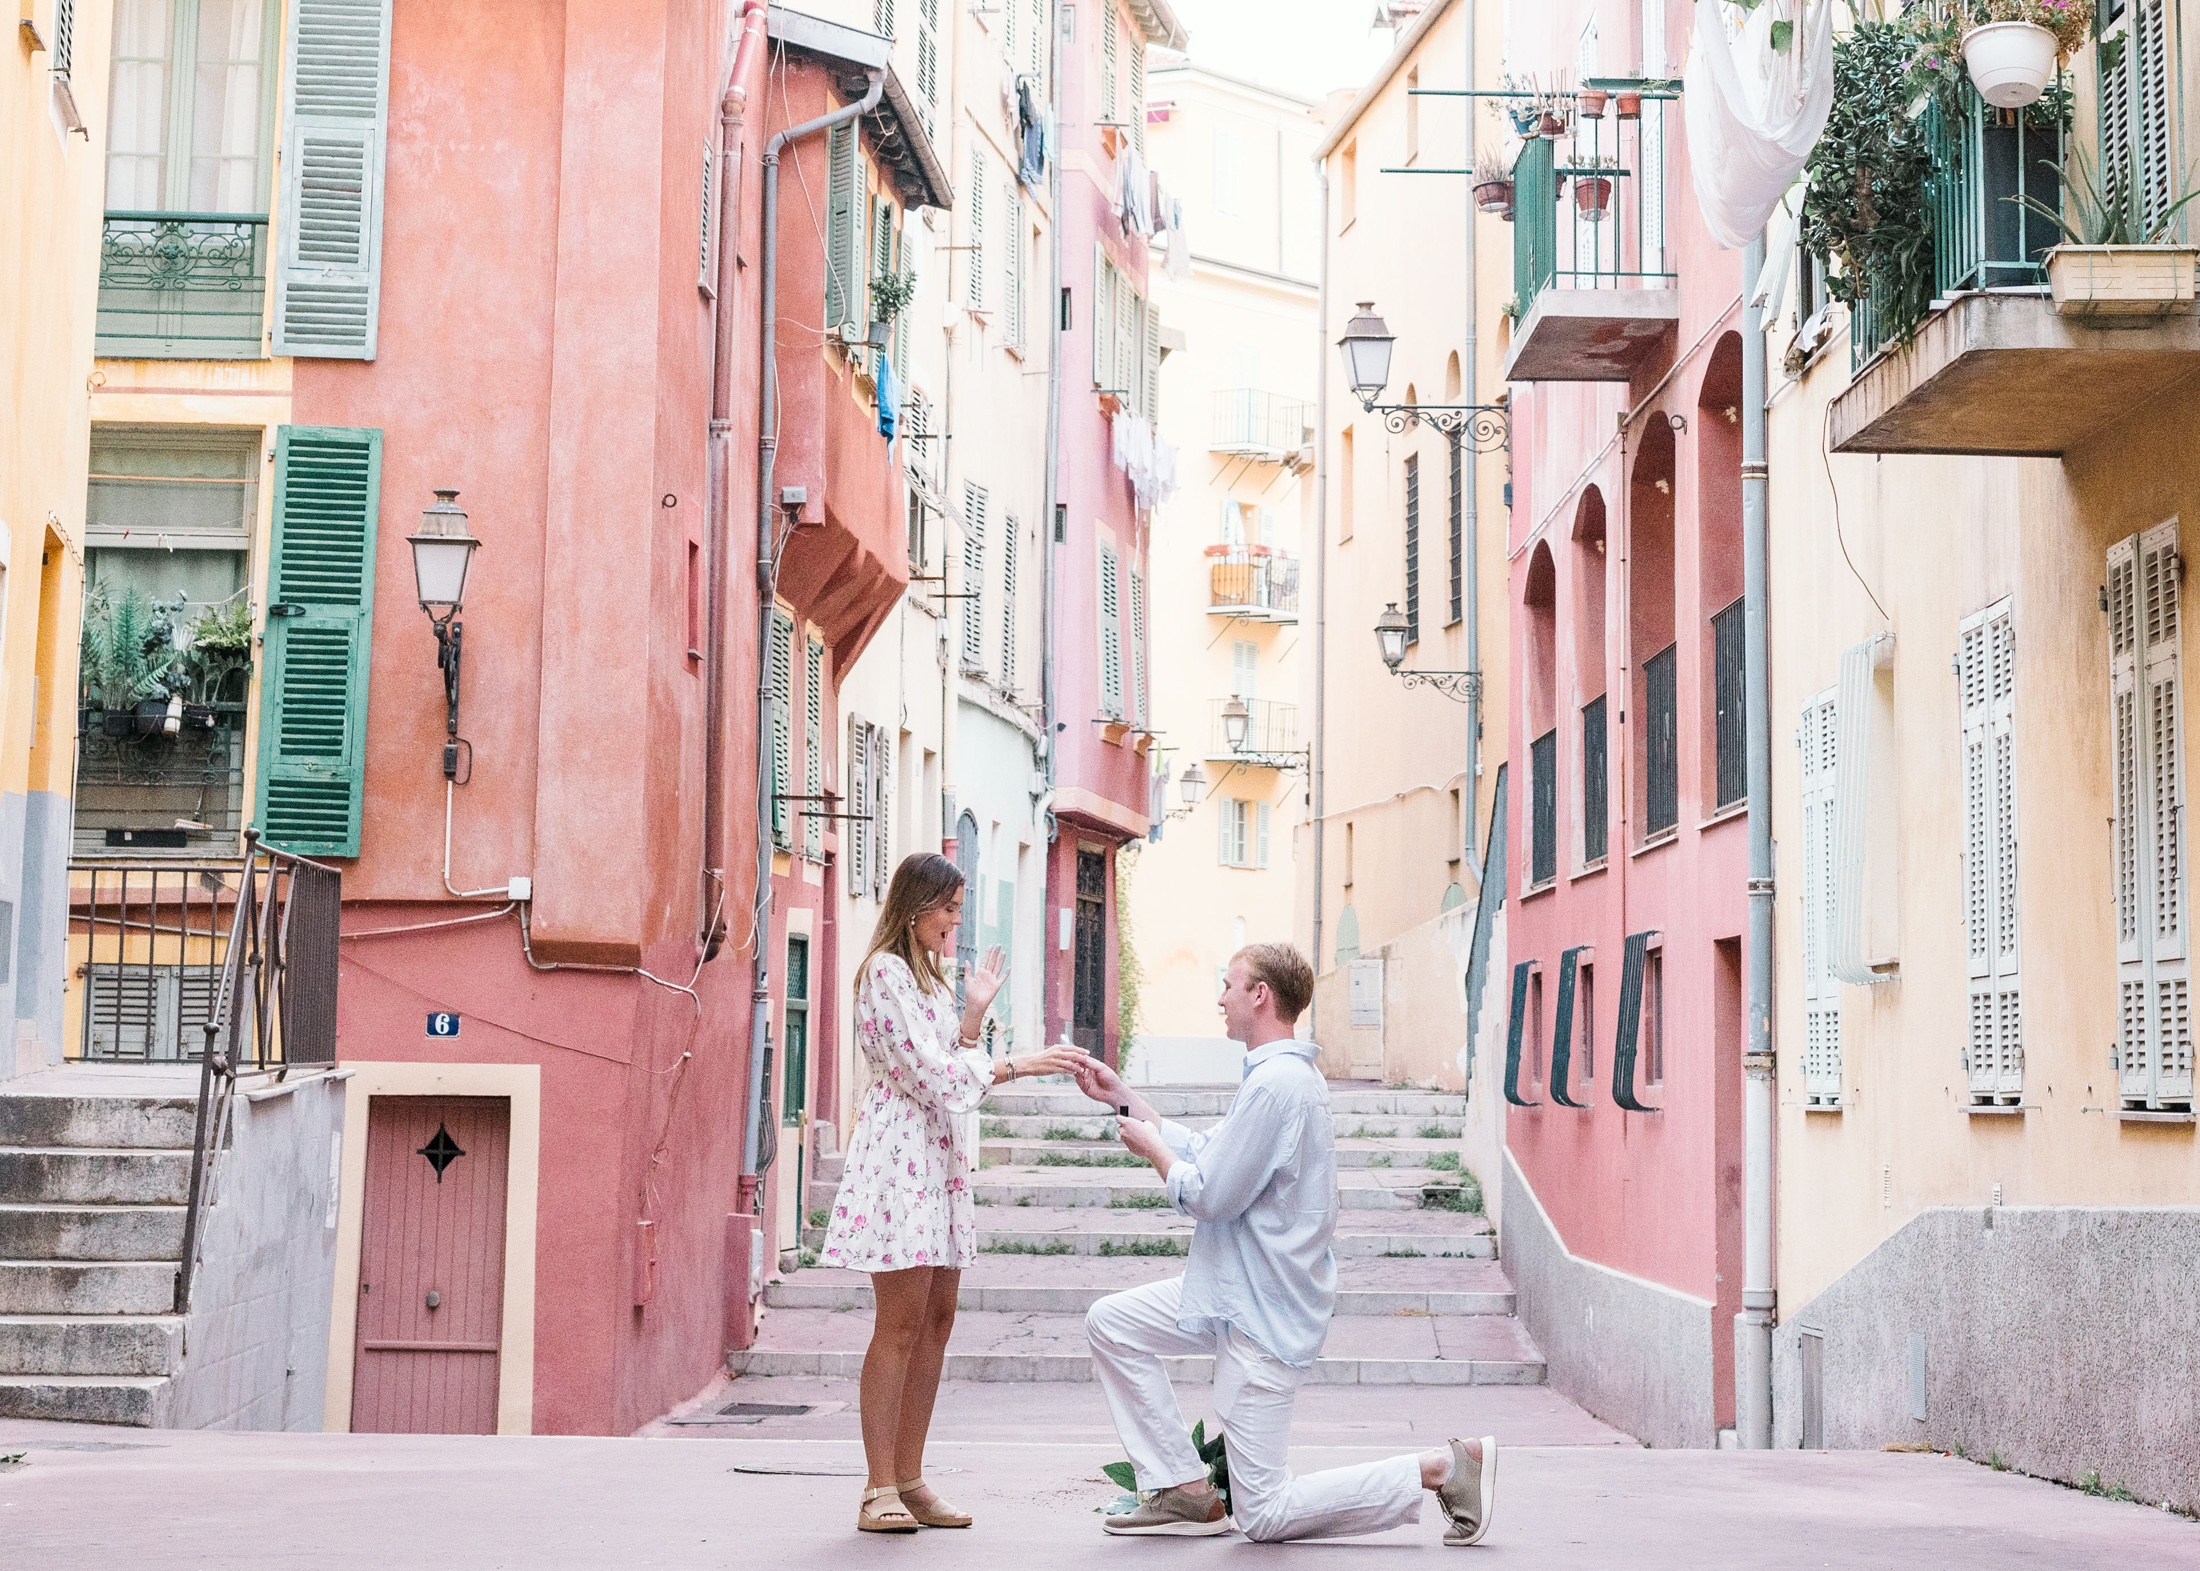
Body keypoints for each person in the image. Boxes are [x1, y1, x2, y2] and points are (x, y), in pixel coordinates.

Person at [1069, 942, 1498, 1546]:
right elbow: (1208, 1149)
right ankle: (1183, 1490)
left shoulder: (1278, 1086)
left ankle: (1442, 1468)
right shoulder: (1278, 1079)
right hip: (1232, 1292)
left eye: (1228, 984)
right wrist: (1120, 1096)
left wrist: (1153, 1153)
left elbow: (1209, 1192)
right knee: (1112, 1323)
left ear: (1259, 995)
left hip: (1259, 1311)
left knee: (1265, 1513)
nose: (1220, 997)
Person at [821, 853, 1089, 1534]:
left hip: (936, 1156)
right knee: (901, 1321)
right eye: (948, 908)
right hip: (900, 1156)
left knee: (939, 1317)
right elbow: (935, 1075)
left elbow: (951, 1058)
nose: (956, 922)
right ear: (915, 907)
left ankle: (909, 1478)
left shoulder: (928, 978)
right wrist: (1015, 1062)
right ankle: (876, 1484)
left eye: (959, 909)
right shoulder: (883, 973)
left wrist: (971, 1015)